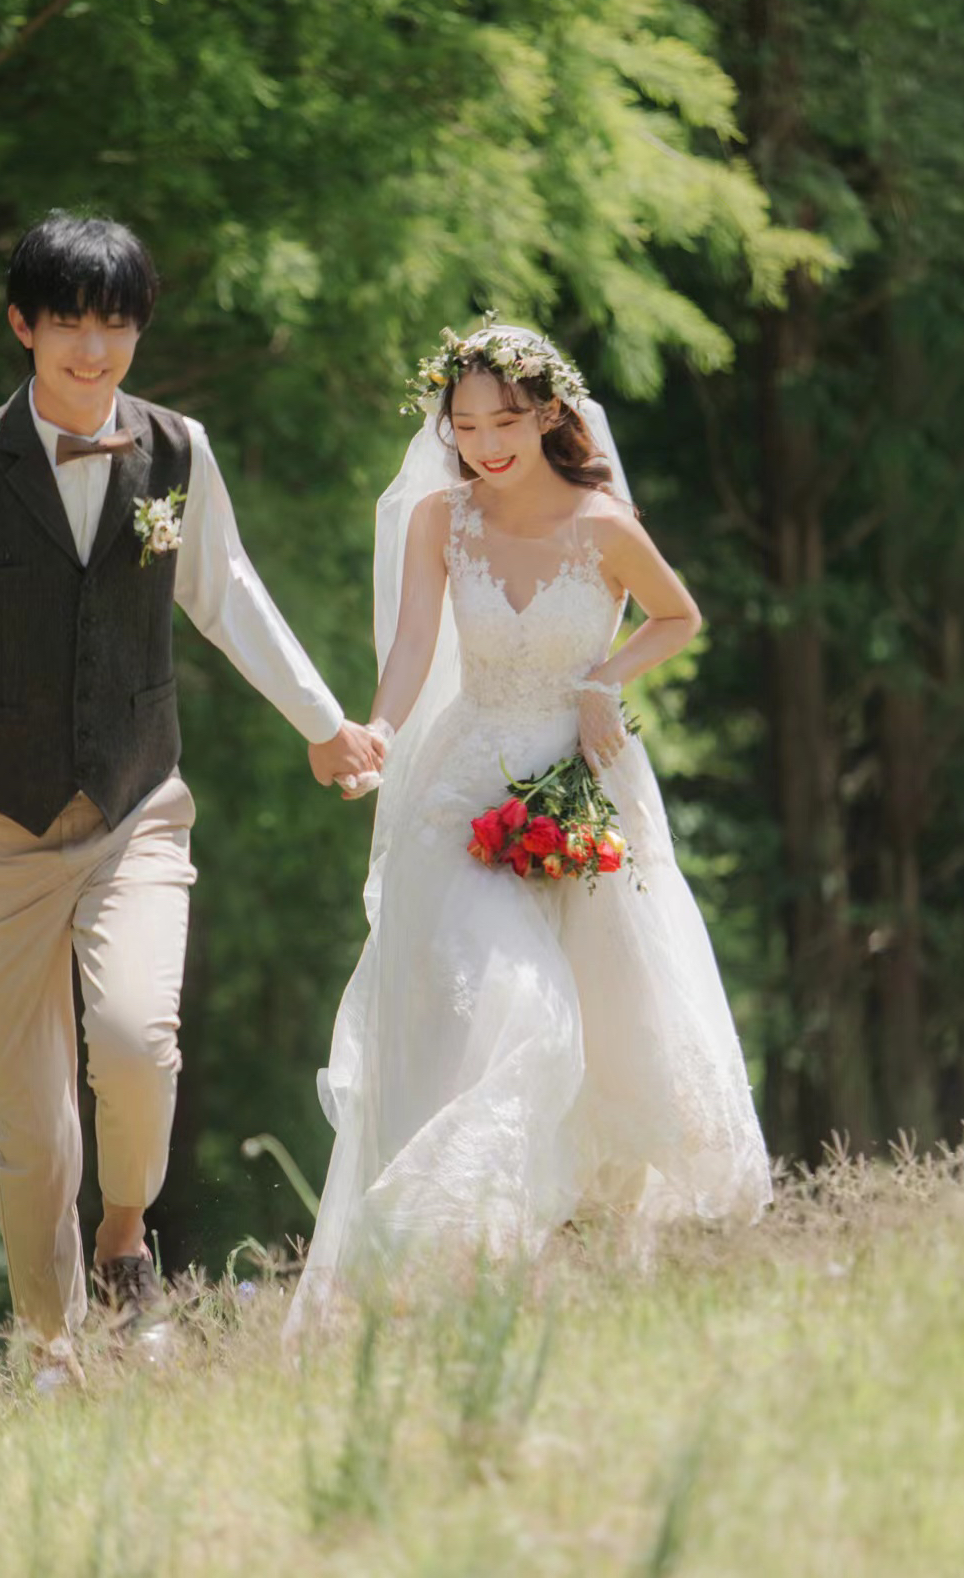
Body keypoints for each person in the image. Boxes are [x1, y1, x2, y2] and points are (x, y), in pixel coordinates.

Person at [0, 210, 383, 1371]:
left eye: (115, 325)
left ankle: (126, 1231)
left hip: (137, 806)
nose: (92, 351)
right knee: (32, 1124)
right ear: (22, 326)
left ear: (139, 328)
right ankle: (56, 1348)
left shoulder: (177, 452)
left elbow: (228, 593)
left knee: (139, 1041)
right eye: (68, 325)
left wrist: (325, 722)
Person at [287, 321, 771, 1334]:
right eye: (463, 426)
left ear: (548, 412)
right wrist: (378, 733)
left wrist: (603, 679)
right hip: (464, 782)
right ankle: (447, 1240)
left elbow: (677, 616)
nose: (483, 445)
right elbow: (413, 646)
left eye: (503, 422)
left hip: (579, 779)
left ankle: (557, 1262)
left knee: (607, 1020)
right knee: (500, 998)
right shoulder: (440, 519)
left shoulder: (602, 523)